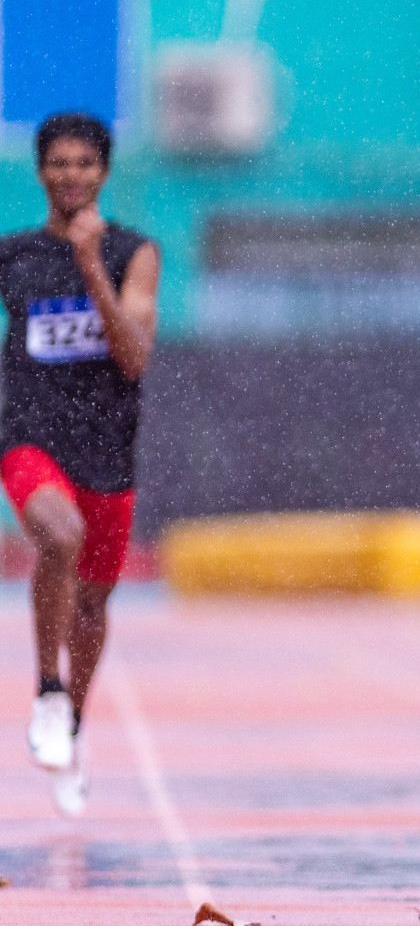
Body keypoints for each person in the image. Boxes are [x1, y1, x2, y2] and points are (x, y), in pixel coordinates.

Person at [6, 113, 160, 816]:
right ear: (41, 172)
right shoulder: (15, 256)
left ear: (104, 172)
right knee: (58, 537)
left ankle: (74, 720)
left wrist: (92, 265)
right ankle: (45, 689)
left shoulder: (134, 253)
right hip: (30, 434)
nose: (72, 176)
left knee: (93, 602)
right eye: (59, 164)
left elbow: (132, 356)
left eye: (84, 164)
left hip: (105, 443)